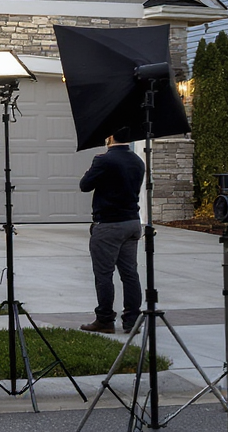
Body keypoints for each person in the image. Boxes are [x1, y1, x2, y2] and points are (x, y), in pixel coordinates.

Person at [78, 128, 143, 335]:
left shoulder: (104, 160)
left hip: (108, 224)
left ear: (110, 137)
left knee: (104, 274)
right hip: (132, 222)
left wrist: (95, 165)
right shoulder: (137, 161)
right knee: (130, 274)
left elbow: (85, 185)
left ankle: (105, 319)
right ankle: (132, 320)